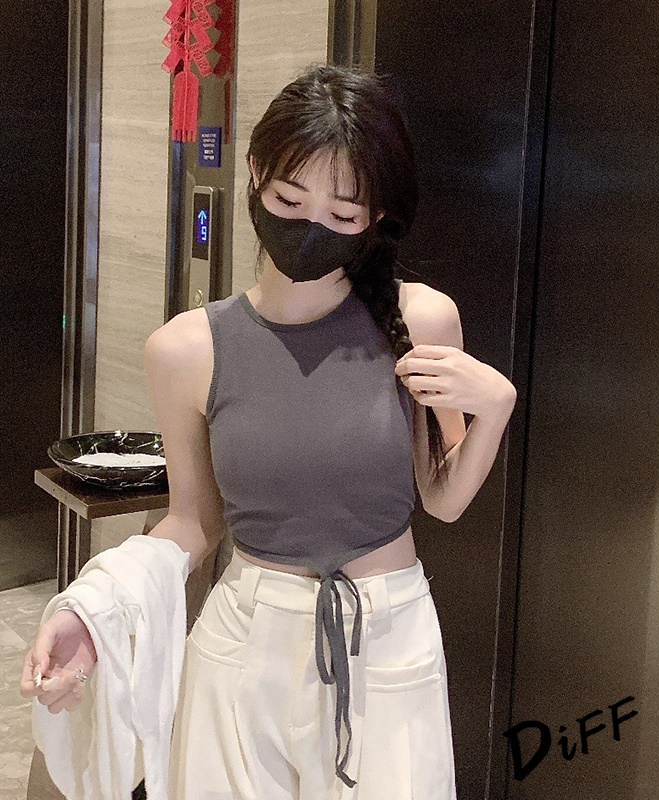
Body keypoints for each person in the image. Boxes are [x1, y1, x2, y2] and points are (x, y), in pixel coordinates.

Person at [20, 62, 517, 799]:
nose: (311, 225)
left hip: (388, 642)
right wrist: (97, 617)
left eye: (343, 214)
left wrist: (495, 407)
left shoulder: (422, 319)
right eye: (289, 198)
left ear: (376, 216)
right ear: (254, 174)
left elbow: (442, 500)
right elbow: (193, 522)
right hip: (241, 648)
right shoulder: (185, 349)